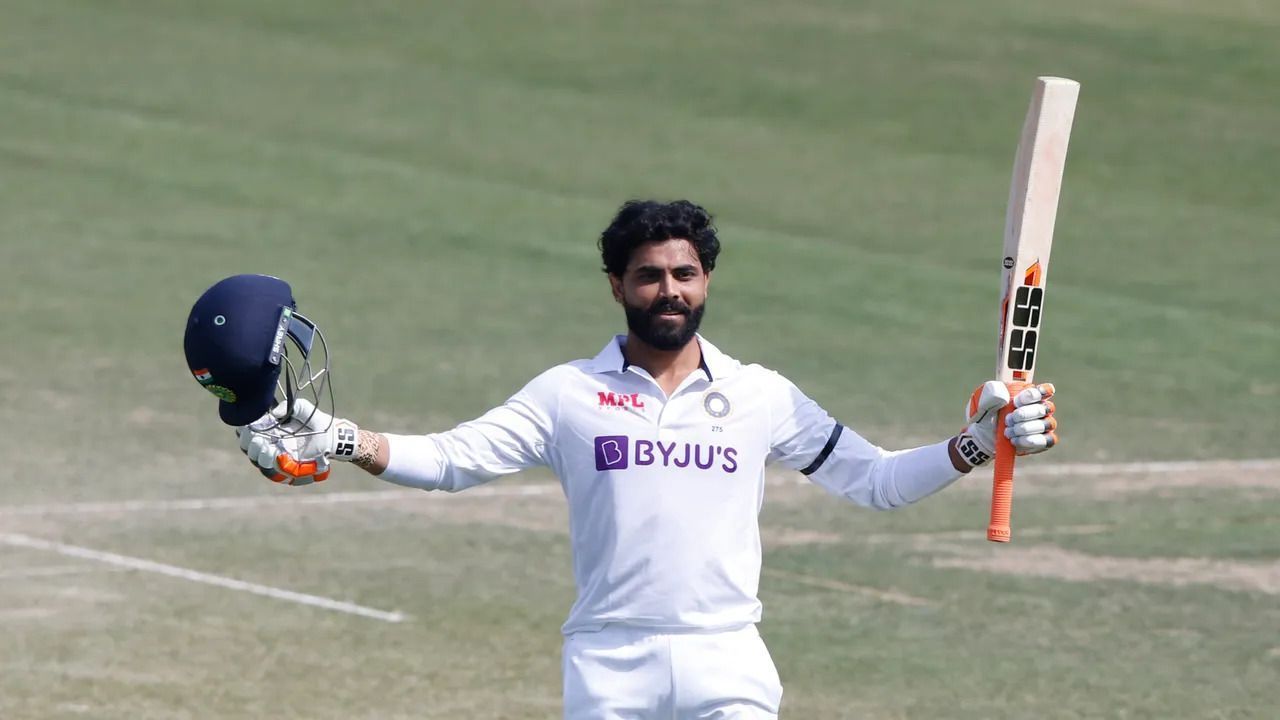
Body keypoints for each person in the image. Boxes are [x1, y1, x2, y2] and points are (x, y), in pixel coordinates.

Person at [231, 200, 1059, 719]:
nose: (670, 290)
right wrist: (340, 438)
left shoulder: (762, 394)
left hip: (727, 661)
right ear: (618, 287)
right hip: (608, 666)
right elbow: (449, 460)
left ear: (707, 281)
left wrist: (977, 444)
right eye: (650, 276)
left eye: (685, 275)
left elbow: (875, 483)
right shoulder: (567, 394)